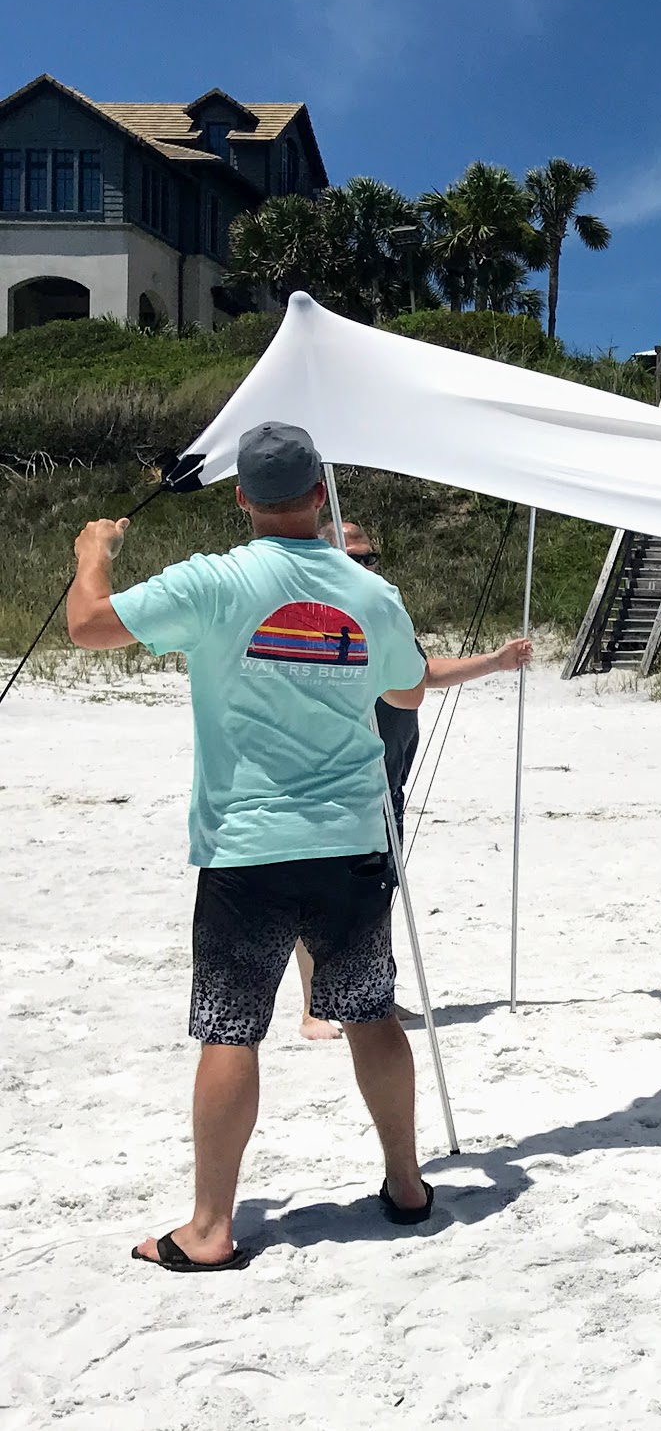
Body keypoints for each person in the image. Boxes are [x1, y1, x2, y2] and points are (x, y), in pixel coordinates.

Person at [67, 422, 436, 1271]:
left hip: (248, 845)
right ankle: (407, 1185)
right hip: (350, 837)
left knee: (231, 1031)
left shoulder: (216, 581)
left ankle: (209, 1228)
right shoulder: (367, 591)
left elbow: (87, 625)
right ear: (319, 496)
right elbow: (408, 686)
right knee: (370, 1013)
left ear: (241, 498)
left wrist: (96, 549)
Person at [294, 520, 532, 1040]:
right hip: (331, 781)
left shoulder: (383, 612)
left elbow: (419, 675)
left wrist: (495, 661)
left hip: (387, 782)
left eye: (370, 557)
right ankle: (315, 1007)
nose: (364, 567)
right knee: (318, 897)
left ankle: (371, 995)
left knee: (378, 892)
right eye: (352, 558)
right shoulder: (311, 616)